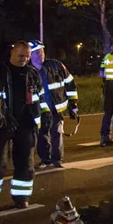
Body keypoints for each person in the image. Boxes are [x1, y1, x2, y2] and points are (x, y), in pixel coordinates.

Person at [0, 41, 49, 212]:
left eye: (27, 56)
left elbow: (40, 98)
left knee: (26, 164)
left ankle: (21, 197)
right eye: (21, 56)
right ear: (12, 54)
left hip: (27, 124)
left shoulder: (33, 74)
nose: (24, 59)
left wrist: (45, 113)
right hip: (0, 123)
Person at [28, 40, 79, 169]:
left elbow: (70, 83)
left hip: (56, 108)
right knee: (42, 135)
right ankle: (45, 159)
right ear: (30, 55)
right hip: (39, 111)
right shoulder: (27, 71)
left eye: (42, 51)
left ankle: (57, 159)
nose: (41, 54)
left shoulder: (56, 66)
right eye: (37, 52)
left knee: (56, 133)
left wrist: (73, 104)